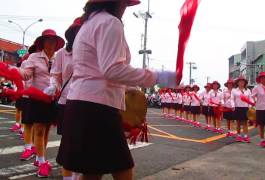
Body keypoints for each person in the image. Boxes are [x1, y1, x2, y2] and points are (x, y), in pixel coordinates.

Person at [56, 0, 176, 179]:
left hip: (81, 103)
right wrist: (159, 77)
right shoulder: (110, 22)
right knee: (122, 169)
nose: (125, 8)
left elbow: (102, 69)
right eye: (125, 3)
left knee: (91, 172)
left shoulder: (89, 23)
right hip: (98, 107)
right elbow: (112, 70)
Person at [18, 29, 65, 177]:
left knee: (45, 131)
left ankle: (40, 158)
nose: (50, 42)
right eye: (47, 39)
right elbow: (26, 74)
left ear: (57, 43)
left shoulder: (59, 58)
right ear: (42, 42)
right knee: (38, 129)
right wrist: (12, 71)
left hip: (52, 100)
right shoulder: (34, 57)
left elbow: (61, 77)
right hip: (37, 99)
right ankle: (42, 162)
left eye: (53, 40)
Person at [45, 17, 81, 180]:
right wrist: (54, 85)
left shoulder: (94, 50)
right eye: (77, 31)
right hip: (67, 102)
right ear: (71, 34)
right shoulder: (62, 54)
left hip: (87, 103)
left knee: (83, 143)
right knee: (68, 143)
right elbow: (55, 74)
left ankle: (78, 175)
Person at [231, 76, 252, 143]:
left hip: (246, 108)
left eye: (243, 81)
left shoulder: (248, 90)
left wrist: (250, 106)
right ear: (237, 82)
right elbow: (232, 99)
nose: (241, 82)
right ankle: (239, 136)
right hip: (237, 108)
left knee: (245, 123)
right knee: (238, 123)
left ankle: (245, 136)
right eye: (240, 81)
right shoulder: (234, 90)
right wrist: (233, 106)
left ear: (245, 83)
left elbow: (250, 99)